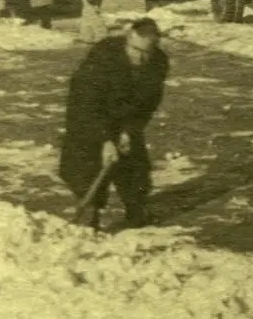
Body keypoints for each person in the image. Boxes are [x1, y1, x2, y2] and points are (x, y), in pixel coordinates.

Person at [59, 18, 170, 230]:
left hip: (125, 117)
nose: (142, 57)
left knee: (134, 165)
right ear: (127, 40)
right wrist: (105, 140)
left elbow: (150, 101)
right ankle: (90, 211)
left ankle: (137, 207)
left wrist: (130, 131)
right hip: (89, 114)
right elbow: (86, 103)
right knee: (87, 165)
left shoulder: (158, 62)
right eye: (137, 51)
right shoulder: (103, 59)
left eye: (148, 52)